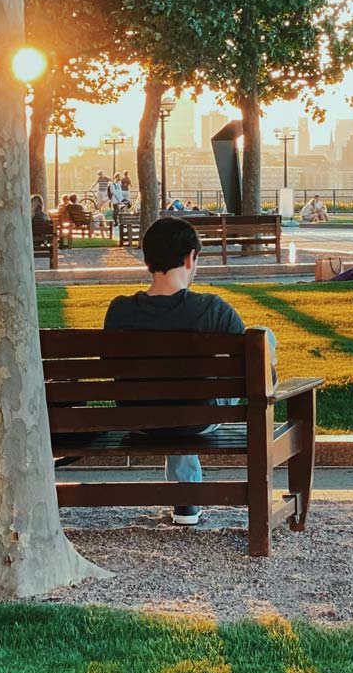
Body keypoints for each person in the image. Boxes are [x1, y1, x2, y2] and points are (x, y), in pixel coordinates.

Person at [103, 216, 274, 527]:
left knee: (174, 399)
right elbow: (250, 368)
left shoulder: (119, 311)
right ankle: (186, 503)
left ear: (147, 262)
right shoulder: (212, 309)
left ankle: (186, 505)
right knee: (262, 338)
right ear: (189, 257)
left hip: (139, 420)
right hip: (197, 421)